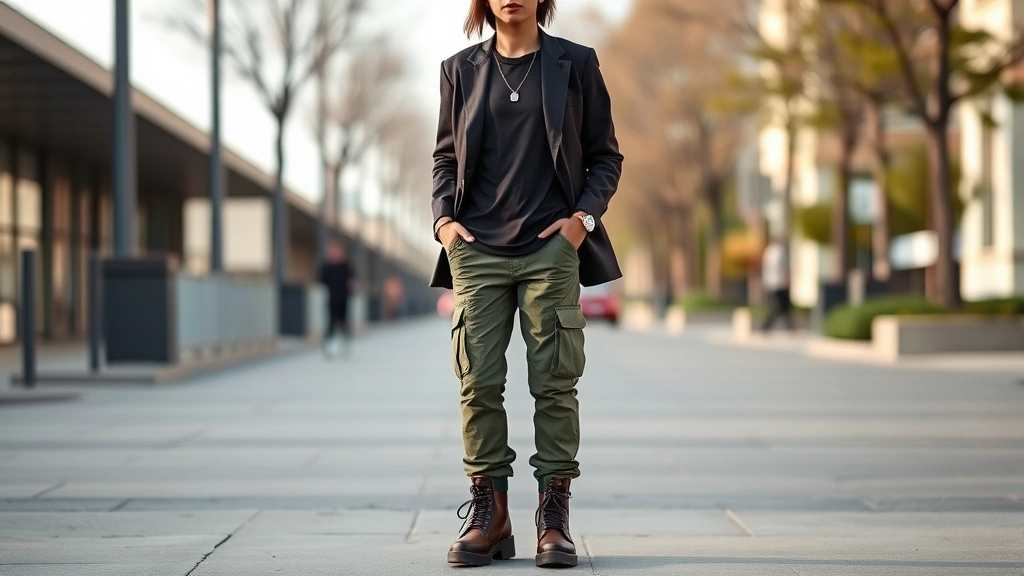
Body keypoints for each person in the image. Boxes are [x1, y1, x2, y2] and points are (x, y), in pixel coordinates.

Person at [430, 0, 623, 568]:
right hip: (476, 251)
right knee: (478, 383)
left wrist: (580, 222)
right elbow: (445, 158)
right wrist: (444, 224)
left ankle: (553, 518)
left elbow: (605, 157)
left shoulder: (576, 63)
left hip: (551, 250)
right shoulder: (459, 70)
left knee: (555, 384)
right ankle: (490, 517)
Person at [318, 241, 355, 357]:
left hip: (344, 298)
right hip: (331, 298)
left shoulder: (346, 266)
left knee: (343, 321)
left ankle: (344, 343)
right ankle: (330, 345)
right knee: (331, 321)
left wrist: (351, 285)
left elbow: (352, 280)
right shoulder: (327, 266)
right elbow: (321, 280)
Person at [760, 238, 794, 333]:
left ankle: (791, 327)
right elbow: (780, 267)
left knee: (783, 307)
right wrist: (786, 280)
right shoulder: (779, 252)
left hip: (771, 283)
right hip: (778, 283)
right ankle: (765, 327)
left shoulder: (769, 251)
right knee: (779, 307)